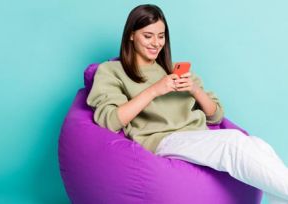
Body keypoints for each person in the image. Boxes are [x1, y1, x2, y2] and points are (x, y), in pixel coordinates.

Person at [87, 4, 288, 204]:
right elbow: (111, 121)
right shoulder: (112, 71)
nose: (156, 43)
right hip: (164, 140)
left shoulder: (172, 70)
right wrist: (156, 89)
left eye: (161, 36)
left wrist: (194, 89)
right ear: (131, 35)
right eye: (148, 36)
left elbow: (216, 116)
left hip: (199, 137)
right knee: (233, 143)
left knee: (258, 145)